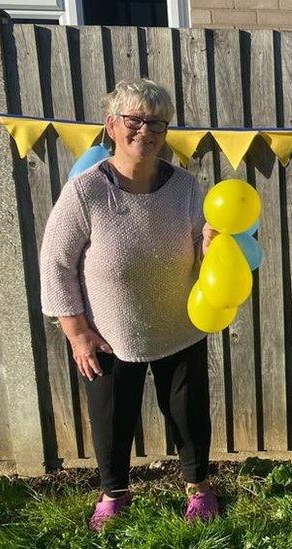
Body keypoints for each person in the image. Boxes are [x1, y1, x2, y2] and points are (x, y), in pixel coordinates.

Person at [39, 78, 220, 531]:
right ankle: (113, 494)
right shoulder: (86, 192)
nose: (146, 130)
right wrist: (76, 332)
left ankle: (199, 488)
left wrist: (211, 245)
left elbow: (205, 251)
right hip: (107, 334)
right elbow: (55, 263)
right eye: (135, 120)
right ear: (112, 126)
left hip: (180, 325)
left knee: (188, 415)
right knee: (112, 420)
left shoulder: (185, 187)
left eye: (157, 122)